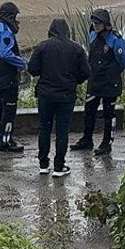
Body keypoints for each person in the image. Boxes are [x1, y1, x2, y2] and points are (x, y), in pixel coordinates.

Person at [26, 18, 90, 177]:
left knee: (44, 128)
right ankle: (59, 166)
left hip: (45, 94)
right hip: (66, 95)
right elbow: (86, 72)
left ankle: (43, 164)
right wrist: (75, 81)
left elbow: (32, 69)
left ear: (51, 31)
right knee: (62, 130)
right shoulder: (76, 49)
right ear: (67, 31)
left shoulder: (42, 46)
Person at [72, 8, 125, 155]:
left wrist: (112, 73)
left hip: (110, 83)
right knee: (89, 111)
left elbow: (123, 61)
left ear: (105, 24)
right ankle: (87, 139)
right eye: (93, 22)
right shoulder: (92, 36)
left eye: (98, 22)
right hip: (94, 81)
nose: (95, 25)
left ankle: (106, 142)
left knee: (108, 114)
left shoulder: (115, 40)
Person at [0, 2, 27, 153]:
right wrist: (22, 63)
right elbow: (6, 53)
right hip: (8, 75)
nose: (17, 20)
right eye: (15, 17)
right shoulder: (5, 31)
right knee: (9, 109)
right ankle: (7, 141)